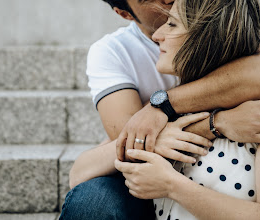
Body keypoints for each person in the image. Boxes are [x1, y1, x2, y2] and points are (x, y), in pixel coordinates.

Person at [60, 0, 260, 219]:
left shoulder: (251, 116)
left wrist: (172, 185)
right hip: (146, 184)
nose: (158, 37)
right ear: (125, 13)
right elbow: (87, 167)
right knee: (92, 200)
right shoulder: (113, 52)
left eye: (172, 24)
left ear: (208, 39)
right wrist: (214, 123)